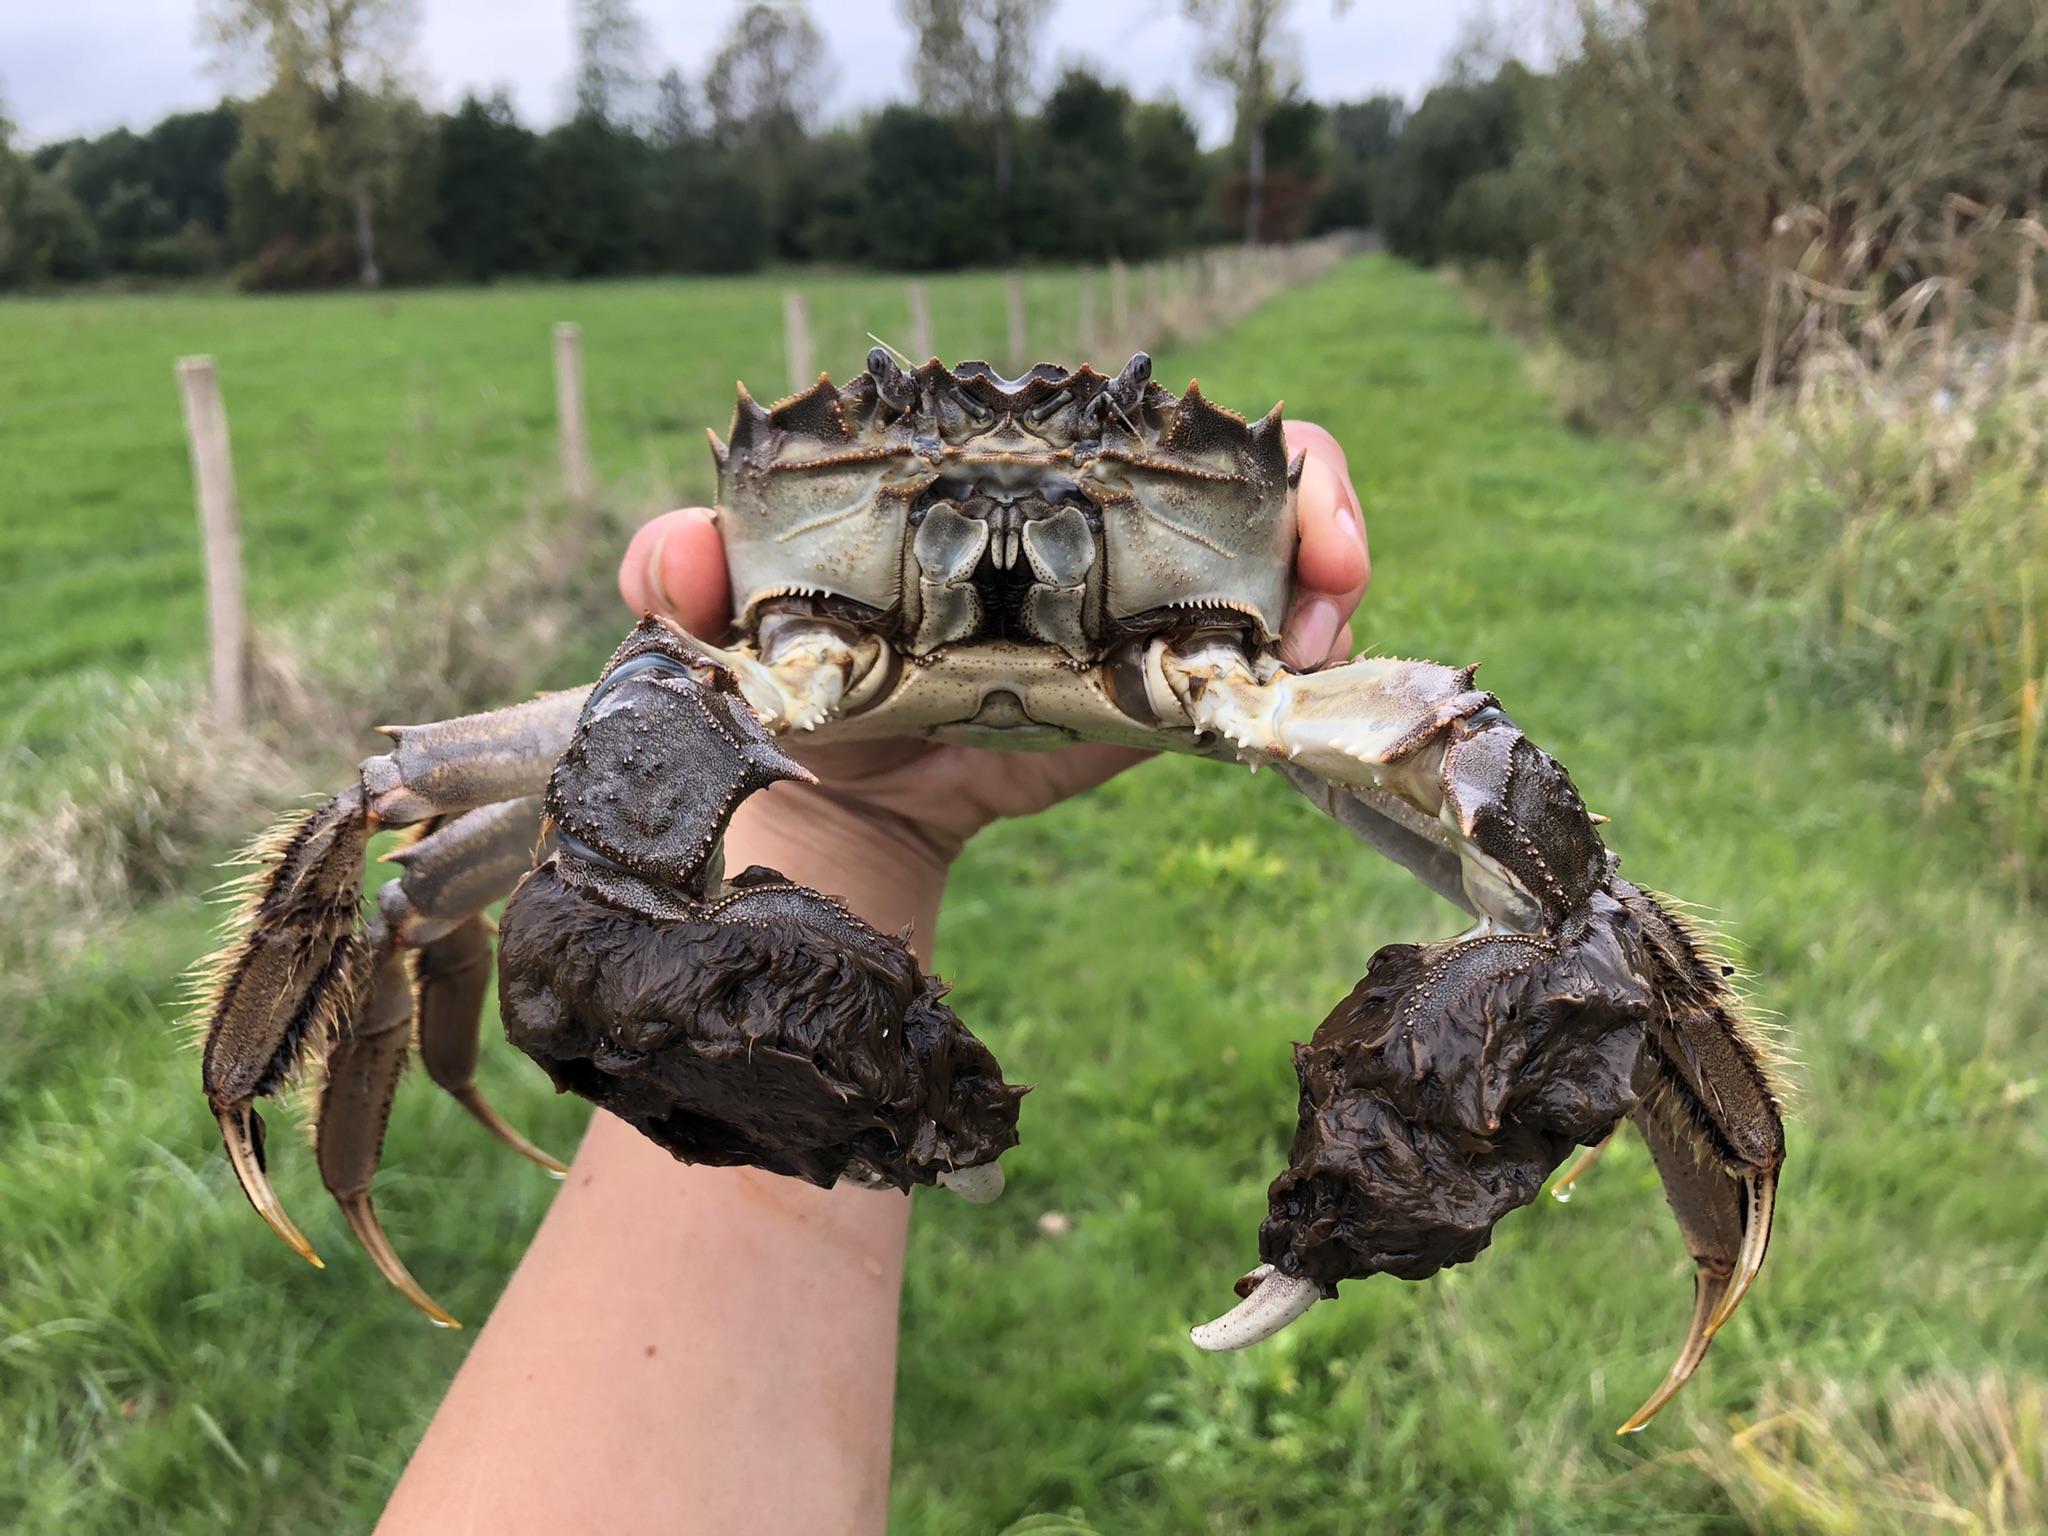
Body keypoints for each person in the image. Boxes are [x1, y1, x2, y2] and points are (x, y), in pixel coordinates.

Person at [375, 421, 1370, 1535]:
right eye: (922, 494)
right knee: (400, 865)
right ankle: (365, 1141)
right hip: (805, 703)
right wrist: (834, 813)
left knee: (1569, 911)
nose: (1002, 550)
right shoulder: (735, 681)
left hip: (1198, 658)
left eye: (1096, 495)